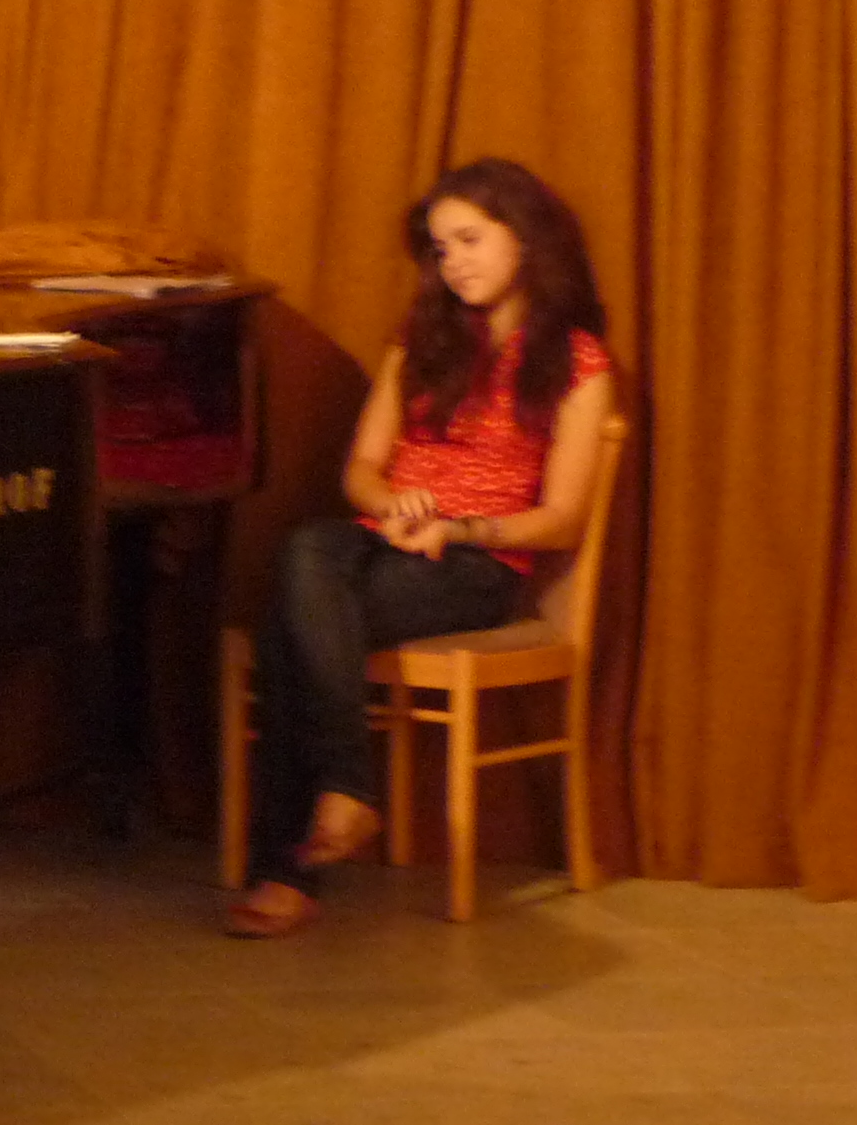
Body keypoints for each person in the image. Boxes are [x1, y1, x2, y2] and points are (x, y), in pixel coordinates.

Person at [224, 157, 617, 939]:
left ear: (524, 237)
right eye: (441, 249)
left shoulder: (576, 362)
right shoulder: (422, 342)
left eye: (470, 240)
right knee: (309, 547)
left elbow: (563, 519)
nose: (455, 263)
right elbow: (362, 470)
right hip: (380, 544)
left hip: (473, 564)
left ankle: (288, 870)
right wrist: (393, 504)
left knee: (290, 629)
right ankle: (345, 789)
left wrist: (458, 528)